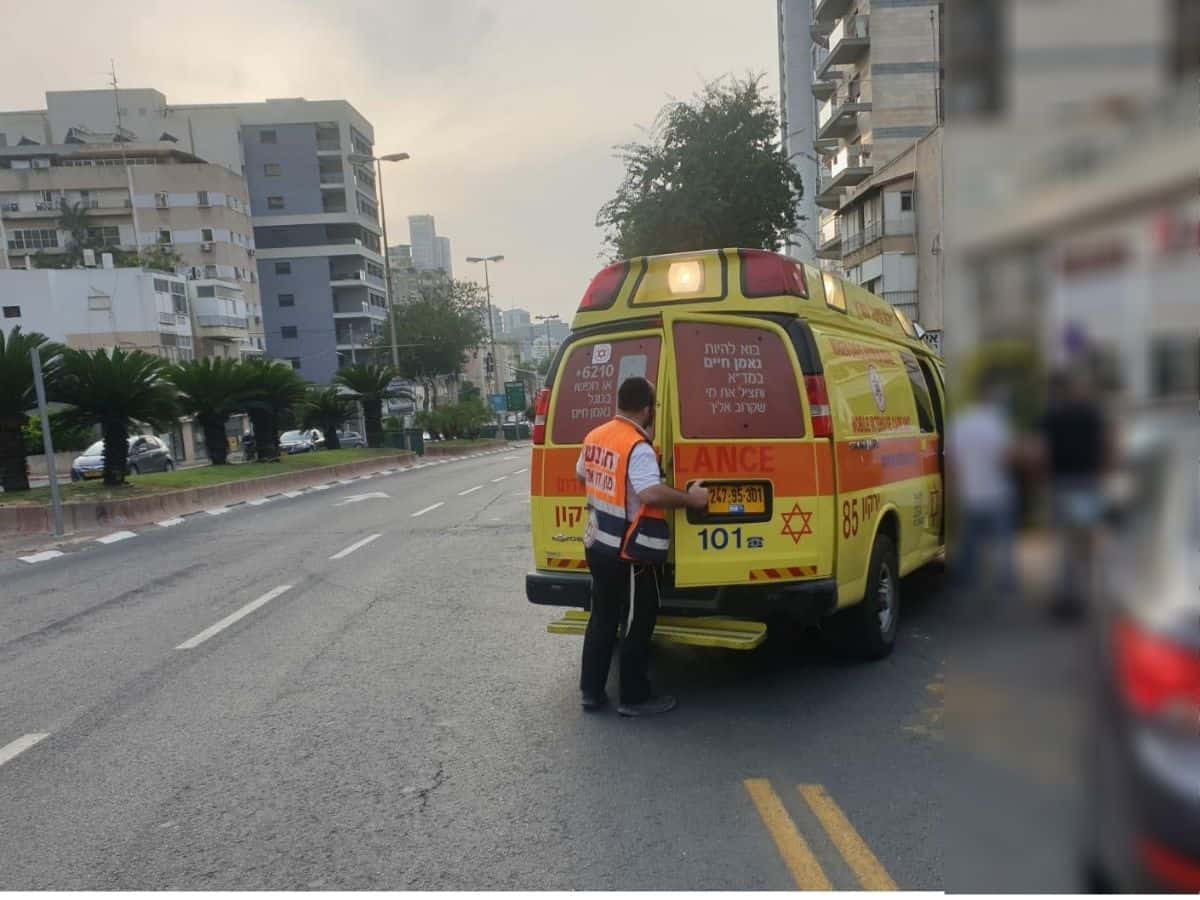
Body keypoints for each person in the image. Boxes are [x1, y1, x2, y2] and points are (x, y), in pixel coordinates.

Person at [575, 376, 708, 717]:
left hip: (599, 543)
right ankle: (634, 697)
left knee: (602, 618)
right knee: (637, 622)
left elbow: (581, 474)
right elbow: (650, 493)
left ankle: (591, 692)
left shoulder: (596, 435)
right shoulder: (638, 446)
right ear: (648, 409)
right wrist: (690, 499)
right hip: (629, 551)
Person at [1036, 368, 1113, 619]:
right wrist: (1103, 472)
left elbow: (1042, 453)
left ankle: (1068, 598)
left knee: (1065, 543)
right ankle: (1085, 598)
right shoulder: (1093, 414)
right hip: (1087, 484)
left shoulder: (1052, 416)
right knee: (1085, 543)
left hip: (1062, 485)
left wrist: (1044, 480)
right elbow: (1107, 445)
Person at [946, 375, 1020, 601]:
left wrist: (957, 488)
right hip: (997, 492)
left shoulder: (960, 422)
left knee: (971, 542)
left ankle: (968, 582)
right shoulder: (999, 423)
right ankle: (1005, 583)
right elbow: (1008, 457)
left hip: (970, 493)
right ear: (990, 396)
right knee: (1003, 543)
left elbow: (952, 462)